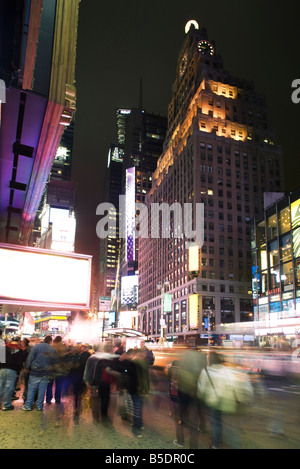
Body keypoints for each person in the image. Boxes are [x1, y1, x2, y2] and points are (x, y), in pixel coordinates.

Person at [197, 351, 253, 449]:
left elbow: (201, 387)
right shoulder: (226, 370)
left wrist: (200, 396)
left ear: (208, 360)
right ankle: (230, 443)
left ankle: (216, 444)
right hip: (226, 401)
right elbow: (233, 383)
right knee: (229, 425)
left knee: (215, 423)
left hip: (212, 402)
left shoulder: (205, 371)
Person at [83, 341, 118, 423]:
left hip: (106, 382)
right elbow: (89, 368)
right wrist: (87, 380)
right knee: (95, 400)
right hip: (96, 381)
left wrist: (115, 381)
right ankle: (95, 418)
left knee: (105, 400)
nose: (109, 348)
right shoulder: (96, 357)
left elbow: (116, 370)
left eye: (111, 346)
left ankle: (104, 416)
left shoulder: (112, 358)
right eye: (108, 346)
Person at [22, 335, 57, 411]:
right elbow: (55, 361)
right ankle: (39, 406)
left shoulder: (36, 347)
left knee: (32, 389)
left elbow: (30, 357)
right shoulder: (53, 349)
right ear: (50, 341)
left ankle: (28, 405)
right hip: (46, 372)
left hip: (35, 371)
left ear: (44, 339)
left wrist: (27, 367)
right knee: (42, 389)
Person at [0, 336, 26, 410]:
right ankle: (6, 405)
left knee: (0, 386)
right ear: (19, 341)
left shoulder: (3, 347)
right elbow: (20, 363)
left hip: (2, 369)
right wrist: (18, 371)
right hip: (12, 370)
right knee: (9, 387)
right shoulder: (20, 350)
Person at [46, 335, 70, 404]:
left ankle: (48, 398)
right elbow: (65, 357)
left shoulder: (51, 346)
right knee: (59, 385)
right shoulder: (63, 347)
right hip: (60, 369)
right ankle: (57, 398)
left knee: (49, 385)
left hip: (51, 368)